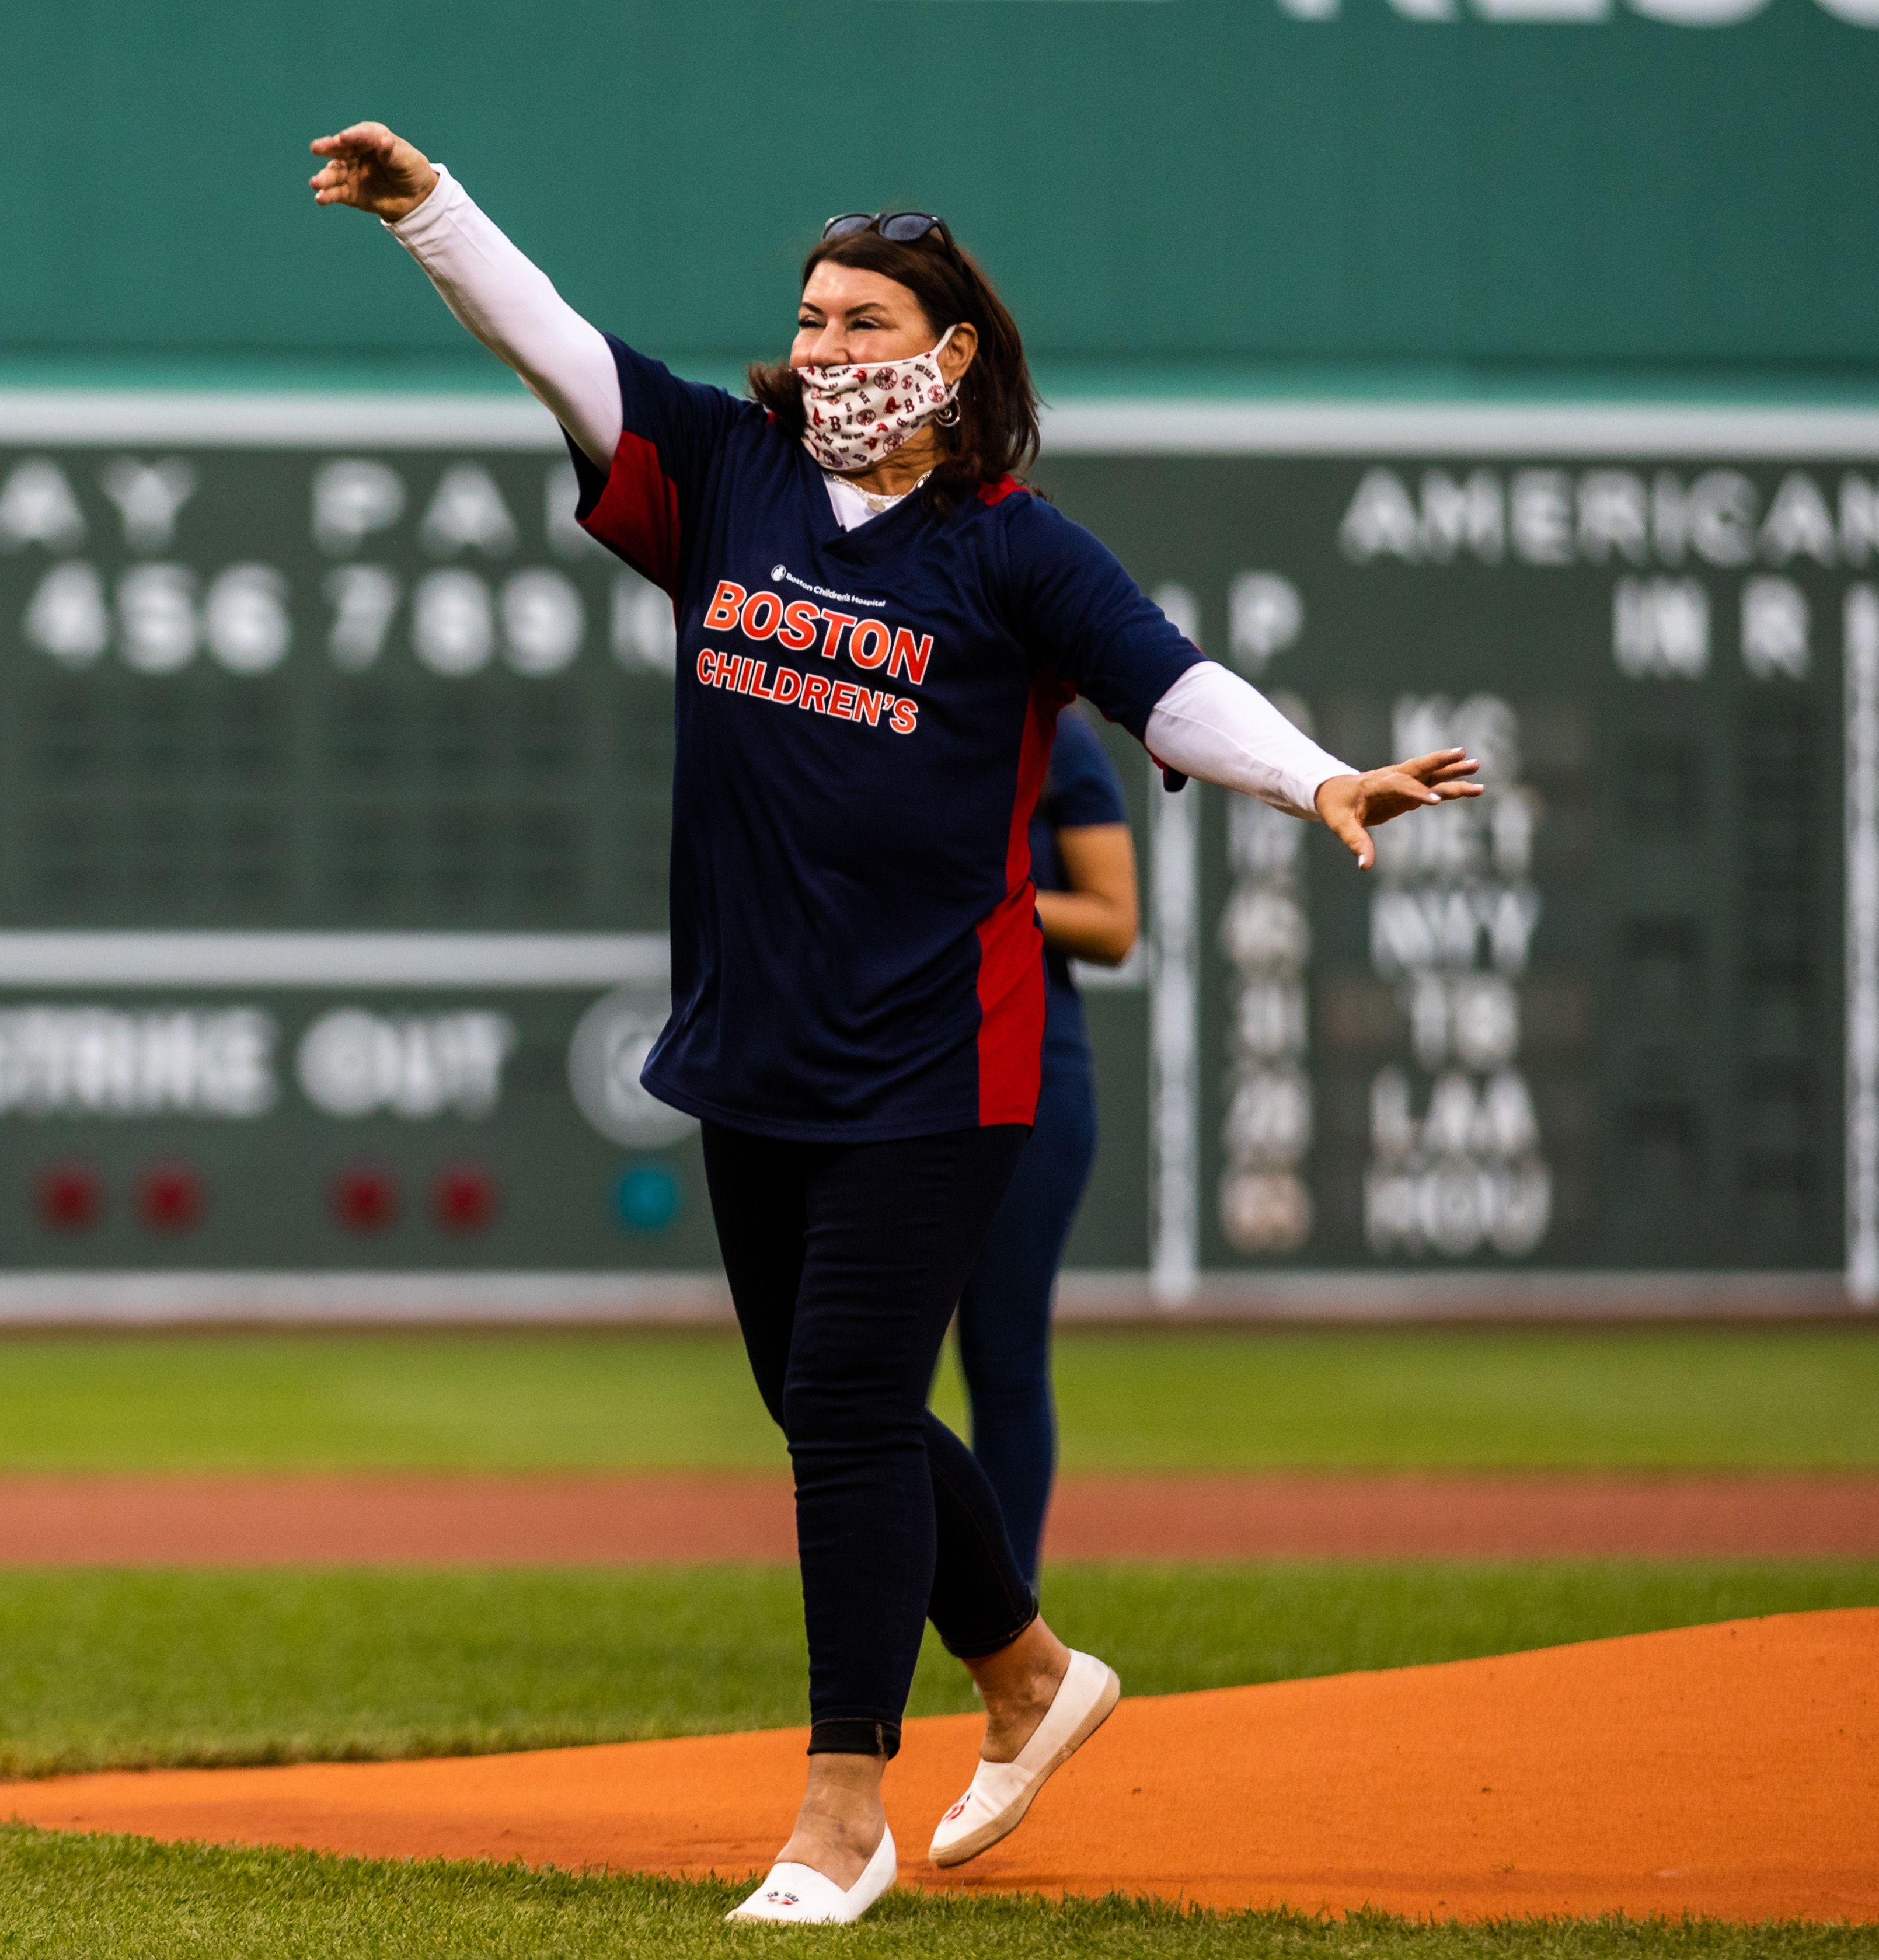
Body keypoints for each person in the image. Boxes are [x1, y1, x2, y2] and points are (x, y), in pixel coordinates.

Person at [309, 122, 1481, 1927]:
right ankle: (1024, 1673)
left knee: (848, 1398)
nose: (830, 347)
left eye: (866, 320)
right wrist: (431, 214)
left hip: (937, 1057)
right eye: (812, 316)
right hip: (752, 1040)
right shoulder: (724, 477)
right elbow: (551, 337)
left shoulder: (1007, 550)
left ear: (948, 358)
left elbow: (1164, 681)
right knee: (815, 1397)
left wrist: (1313, 776)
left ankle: (835, 1809)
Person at [957, 707, 1134, 1589]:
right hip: (882, 1072)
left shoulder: (1056, 739)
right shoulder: (876, 702)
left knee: (1005, 1355)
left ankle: (1005, 1613)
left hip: (1029, 1070)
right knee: (861, 1376)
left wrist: (985, 899)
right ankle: (893, 1603)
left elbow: (1114, 923)